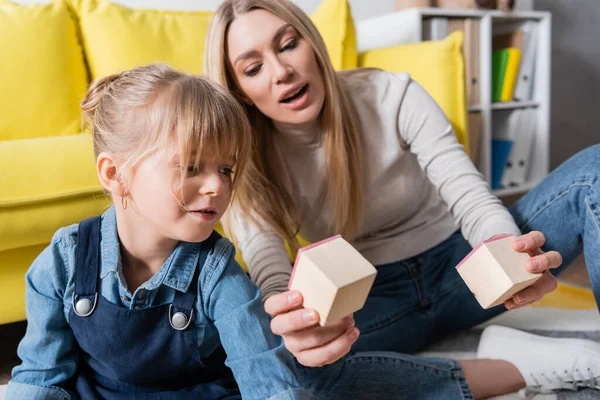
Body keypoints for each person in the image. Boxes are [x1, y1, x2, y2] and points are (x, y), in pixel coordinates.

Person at [204, 0, 600, 398]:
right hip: (373, 301)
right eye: (253, 68)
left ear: (312, 43)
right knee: (285, 370)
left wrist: (508, 255)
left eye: (288, 44)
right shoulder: (243, 162)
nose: (281, 71)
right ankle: (513, 368)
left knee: (594, 171)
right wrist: (292, 325)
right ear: (241, 92)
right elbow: (269, 268)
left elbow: (473, 201)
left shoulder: (392, 94)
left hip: (463, 269)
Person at [6, 64, 314, 400]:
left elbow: (268, 380)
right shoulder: (61, 264)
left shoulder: (218, 274)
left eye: (226, 169)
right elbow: (41, 378)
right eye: (190, 167)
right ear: (115, 174)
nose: (217, 185)